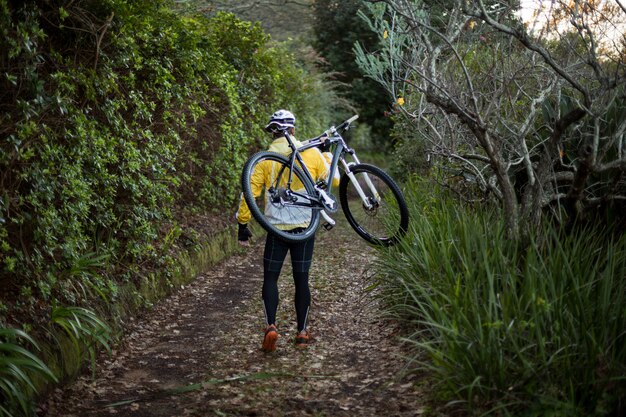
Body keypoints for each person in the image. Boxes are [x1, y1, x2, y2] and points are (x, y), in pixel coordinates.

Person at [235, 109, 338, 353]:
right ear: (293, 129)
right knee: (301, 279)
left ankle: (271, 326)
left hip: (276, 228)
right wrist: (326, 154)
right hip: (305, 227)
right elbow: (334, 181)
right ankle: (302, 332)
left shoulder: (263, 159)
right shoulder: (310, 153)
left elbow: (249, 193)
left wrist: (243, 224)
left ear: (272, 131)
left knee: (271, 278)